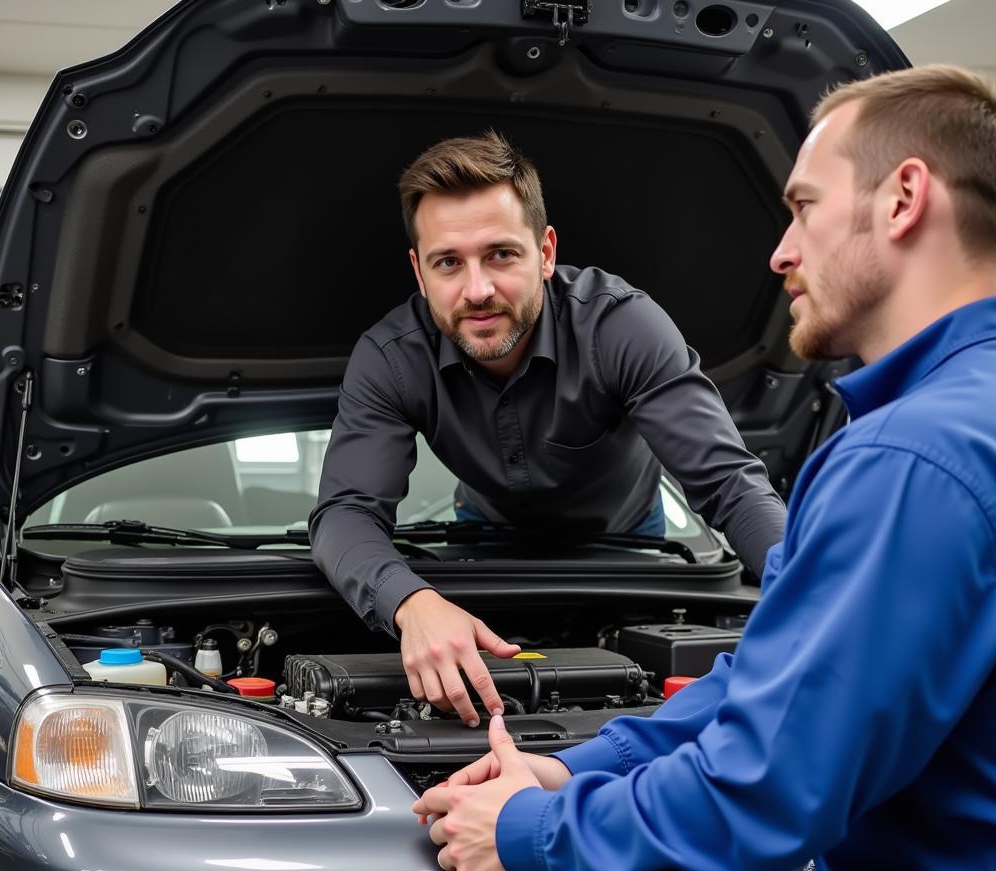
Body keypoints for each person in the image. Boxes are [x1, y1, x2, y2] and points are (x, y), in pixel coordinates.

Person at [412, 64, 996, 871]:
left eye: (804, 208)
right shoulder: (949, 423)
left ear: (902, 199)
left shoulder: (913, 456)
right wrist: (578, 765)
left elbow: (770, 793)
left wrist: (532, 827)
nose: (780, 252)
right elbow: (771, 681)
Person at [311, 130, 786, 726]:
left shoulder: (623, 326)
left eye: (501, 254)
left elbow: (729, 484)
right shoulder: (390, 358)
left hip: (634, 544)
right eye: (449, 263)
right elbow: (345, 512)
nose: (478, 289)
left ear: (547, 251)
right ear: (419, 270)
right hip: (482, 543)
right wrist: (412, 601)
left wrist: (811, 594)